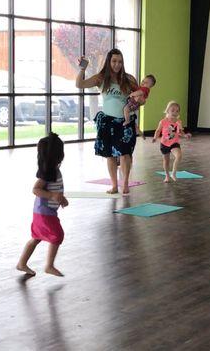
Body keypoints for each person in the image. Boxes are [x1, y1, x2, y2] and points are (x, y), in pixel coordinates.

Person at [76, 49, 138, 194]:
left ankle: (126, 183)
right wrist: (82, 69)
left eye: (120, 62)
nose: (117, 65)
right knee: (109, 155)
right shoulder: (101, 78)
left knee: (125, 153)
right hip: (108, 122)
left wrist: (138, 104)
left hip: (125, 122)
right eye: (114, 61)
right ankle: (114, 185)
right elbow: (80, 84)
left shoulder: (129, 79)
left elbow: (140, 99)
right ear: (109, 62)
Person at [16, 133, 68, 277]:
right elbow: (36, 189)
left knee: (36, 237)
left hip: (43, 211)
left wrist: (60, 199)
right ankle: (49, 266)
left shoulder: (53, 169)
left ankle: (22, 263)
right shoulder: (48, 172)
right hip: (44, 212)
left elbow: (55, 190)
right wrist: (52, 196)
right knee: (57, 235)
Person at [152, 101, 191, 182]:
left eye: (177, 111)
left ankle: (173, 173)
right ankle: (167, 176)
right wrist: (155, 138)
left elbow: (180, 132)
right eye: (172, 110)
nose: (175, 112)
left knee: (179, 156)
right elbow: (158, 130)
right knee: (166, 161)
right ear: (167, 111)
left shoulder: (178, 122)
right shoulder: (163, 121)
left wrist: (185, 135)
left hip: (174, 143)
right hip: (164, 144)